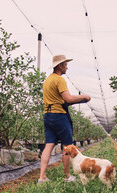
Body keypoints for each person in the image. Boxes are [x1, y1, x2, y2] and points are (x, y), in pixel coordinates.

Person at [38, 55, 91, 184]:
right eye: (66, 64)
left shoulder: (48, 80)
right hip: (59, 116)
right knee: (67, 147)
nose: (67, 67)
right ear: (60, 66)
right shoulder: (59, 80)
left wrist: (79, 100)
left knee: (48, 145)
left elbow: (61, 101)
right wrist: (84, 96)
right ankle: (67, 176)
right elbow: (68, 99)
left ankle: (42, 177)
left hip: (48, 116)